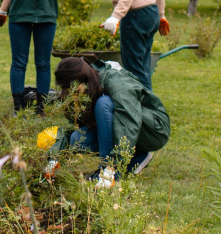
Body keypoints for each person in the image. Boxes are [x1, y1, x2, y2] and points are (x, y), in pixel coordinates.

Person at [54, 56, 170, 187]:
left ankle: (110, 171)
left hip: (153, 129)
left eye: (75, 91)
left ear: (84, 81)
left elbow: (128, 122)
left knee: (103, 103)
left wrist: (112, 167)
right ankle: (137, 157)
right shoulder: (82, 89)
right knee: (77, 140)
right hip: (128, 125)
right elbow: (71, 126)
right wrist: (54, 156)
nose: (73, 96)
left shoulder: (116, 82)